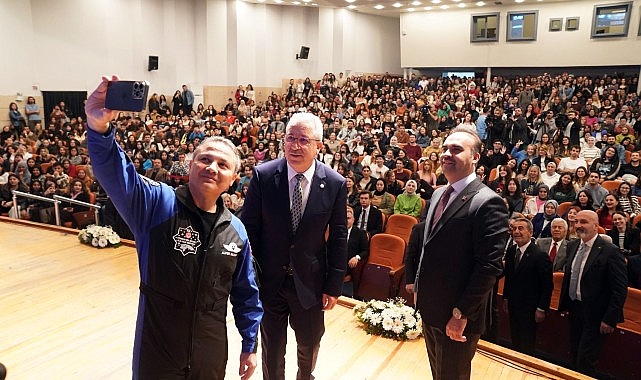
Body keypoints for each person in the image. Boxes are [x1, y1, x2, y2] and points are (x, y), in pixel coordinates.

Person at [84, 76, 262, 380]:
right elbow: (115, 173)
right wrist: (99, 128)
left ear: (234, 179)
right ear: (190, 165)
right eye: (205, 159)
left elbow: (246, 294)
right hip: (159, 340)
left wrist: (250, 344)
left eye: (222, 164)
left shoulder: (237, 231)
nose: (211, 167)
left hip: (211, 342)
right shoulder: (156, 203)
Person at [241, 112, 347, 380]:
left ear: (318, 146)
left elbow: (337, 237)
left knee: (309, 343)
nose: (295, 146)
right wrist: (249, 276)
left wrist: (334, 286)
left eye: (303, 140)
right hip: (269, 280)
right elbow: (249, 230)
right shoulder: (263, 175)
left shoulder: (335, 183)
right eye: (290, 138)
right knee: (272, 348)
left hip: (310, 282)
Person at [414, 127, 508, 380]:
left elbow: (489, 266)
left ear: (476, 158)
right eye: (445, 148)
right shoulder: (437, 195)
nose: (446, 154)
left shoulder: (488, 202)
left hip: (457, 315)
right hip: (432, 308)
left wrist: (461, 312)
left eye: (456, 150)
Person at [558, 210, 628, 378]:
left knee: (586, 361)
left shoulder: (610, 251)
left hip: (597, 316)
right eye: (577, 222)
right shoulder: (573, 245)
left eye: (584, 222)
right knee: (574, 354)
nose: (579, 225)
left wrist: (610, 318)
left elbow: (619, 289)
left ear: (596, 226)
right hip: (575, 310)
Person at [503, 217, 553, 356]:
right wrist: (506, 298)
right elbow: (509, 277)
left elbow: (547, 285)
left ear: (531, 233)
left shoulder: (540, 255)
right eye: (514, 229)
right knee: (515, 340)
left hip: (530, 309)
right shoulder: (512, 251)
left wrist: (541, 309)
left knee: (526, 344)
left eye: (521, 229)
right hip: (513, 305)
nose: (517, 232)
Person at [343, 205, 370, 297]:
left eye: (348, 218)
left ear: (353, 219)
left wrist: (357, 257)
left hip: (349, 264)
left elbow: (365, 251)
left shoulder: (360, 233)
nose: (346, 220)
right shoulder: (335, 231)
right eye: (344, 218)